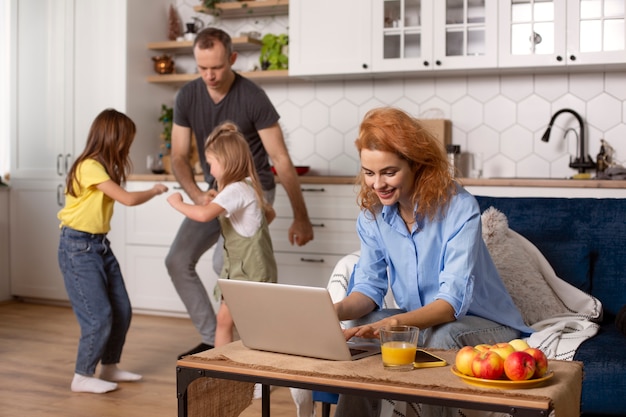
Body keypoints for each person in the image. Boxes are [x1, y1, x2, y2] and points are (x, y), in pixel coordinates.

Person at [333, 107, 534, 416]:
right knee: (359, 325)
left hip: (486, 323)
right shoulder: (372, 216)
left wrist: (395, 324)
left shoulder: (459, 207)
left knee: (442, 335)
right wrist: (332, 311)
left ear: (416, 164)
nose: (377, 184)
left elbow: (450, 304)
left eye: (389, 172)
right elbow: (368, 290)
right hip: (419, 320)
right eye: (369, 173)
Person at [165, 27, 313, 359]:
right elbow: (178, 155)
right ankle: (215, 337)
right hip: (214, 190)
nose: (209, 75)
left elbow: (280, 159)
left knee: (225, 261)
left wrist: (302, 218)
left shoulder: (252, 96)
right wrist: (195, 193)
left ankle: (247, 345)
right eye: (202, 68)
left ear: (232, 59)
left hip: (253, 188)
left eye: (216, 67)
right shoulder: (188, 96)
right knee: (177, 260)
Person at [57, 109, 168, 394]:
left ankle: (109, 366)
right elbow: (128, 200)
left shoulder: (101, 168)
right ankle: (82, 375)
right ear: (113, 138)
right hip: (78, 248)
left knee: (122, 309)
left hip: (98, 246)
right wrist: (155, 190)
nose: (128, 146)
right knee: (99, 316)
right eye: (126, 139)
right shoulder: (89, 166)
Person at [167, 122, 278, 347]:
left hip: (248, 276)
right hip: (243, 273)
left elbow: (203, 215)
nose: (210, 170)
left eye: (211, 164)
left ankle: (257, 379)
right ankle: (223, 373)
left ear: (226, 163)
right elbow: (270, 214)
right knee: (224, 322)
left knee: (252, 329)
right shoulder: (247, 186)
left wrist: (178, 202)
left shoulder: (236, 190)